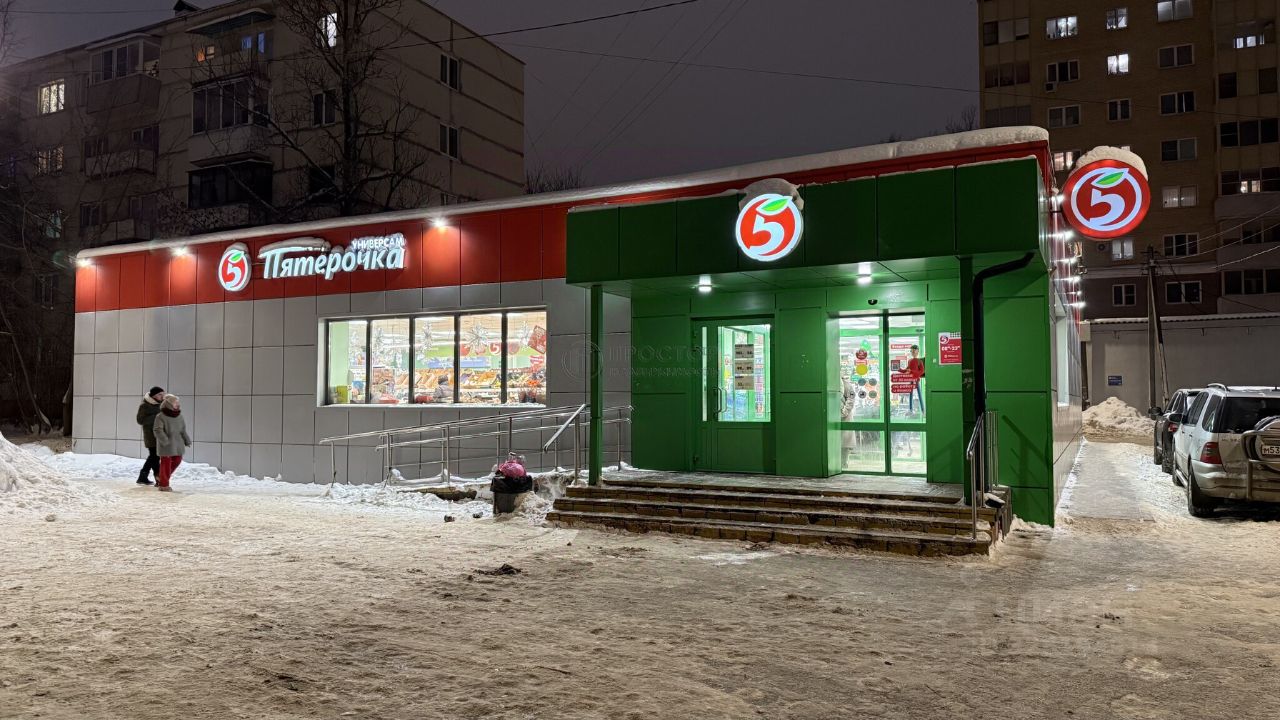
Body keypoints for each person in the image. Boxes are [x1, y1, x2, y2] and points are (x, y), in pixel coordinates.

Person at [152, 394, 191, 492]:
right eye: (175, 403)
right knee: (166, 463)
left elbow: (183, 430)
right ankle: (164, 485)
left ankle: (161, 477)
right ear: (169, 404)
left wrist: (187, 440)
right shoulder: (160, 416)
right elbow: (157, 430)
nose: (178, 404)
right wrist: (165, 440)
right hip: (165, 444)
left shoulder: (180, 416)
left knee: (177, 460)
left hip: (177, 444)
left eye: (178, 402)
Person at [135, 386, 165, 485]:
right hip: (150, 435)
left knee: (155, 457)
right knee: (154, 456)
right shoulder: (145, 405)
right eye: (160, 394)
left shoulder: (162, 405)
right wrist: (156, 417)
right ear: (154, 395)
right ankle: (157, 478)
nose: (162, 396)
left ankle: (144, 477)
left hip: (159, 434)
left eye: (163, 394)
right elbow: (140, 420)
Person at [907, 345, 926, 415]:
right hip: (911, 379)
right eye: (911, 351)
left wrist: (916, 374)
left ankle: (923, 410)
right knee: (911, 393)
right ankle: (911, 409)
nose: (912, 352)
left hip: (916, 379)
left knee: (919, 393)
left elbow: (922, 371)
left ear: (917, 351)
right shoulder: (910, 360)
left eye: (914, 351)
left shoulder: (919, 361)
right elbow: (908, 369)